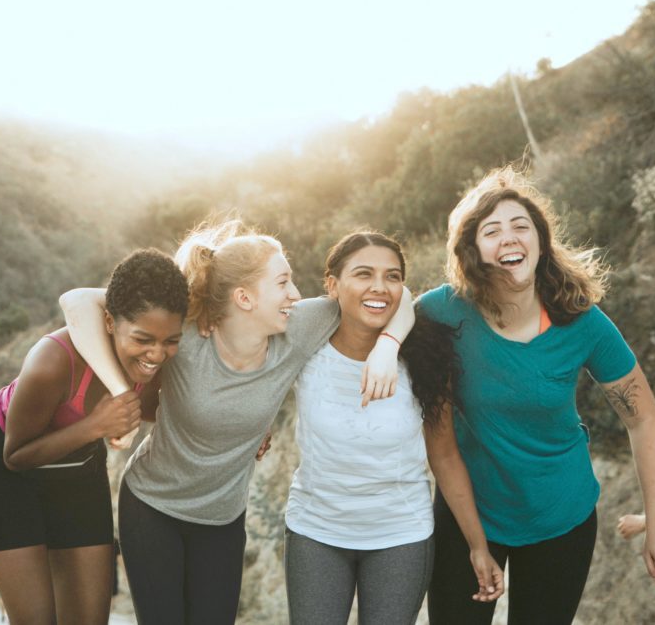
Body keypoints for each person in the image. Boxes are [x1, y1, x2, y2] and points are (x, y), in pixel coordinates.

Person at [60, 220, 414, 625]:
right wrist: (122, 392)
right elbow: (77, 301)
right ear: (244, 297)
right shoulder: (187, 334)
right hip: (152, 507)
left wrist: (388, 346)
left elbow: (393, 297)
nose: (295, 295)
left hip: (222, 520)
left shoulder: (299, 327)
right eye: (283, 283)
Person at [422, 168, 655, 624]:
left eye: (521, 226)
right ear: (473, 250)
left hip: (562, 516)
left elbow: (644, 420)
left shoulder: (582, 320)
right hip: (468, 514)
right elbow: (384, 310)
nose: (509, 238)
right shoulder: (443, 310)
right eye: (491, 230)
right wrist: (383, 348)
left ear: (540, 240)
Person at [284, 231, 504, 625]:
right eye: (363, 274)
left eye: (392, 276)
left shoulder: (426, 357)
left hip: (400, 535)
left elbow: (445, 455)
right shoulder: (305, 343)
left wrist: (477, 545)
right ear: (332, 285)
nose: (379, 288)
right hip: (315, 530)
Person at [0, 249, 188, 625]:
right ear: (110, 322)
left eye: (171, 341)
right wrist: (95, 427)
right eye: (144, 338)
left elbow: (168, 409)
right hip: (4, 475)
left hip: (77, 471)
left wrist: (251, 429)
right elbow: (15, 456)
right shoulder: (53, 361)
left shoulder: (155, 363)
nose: (156, 354)